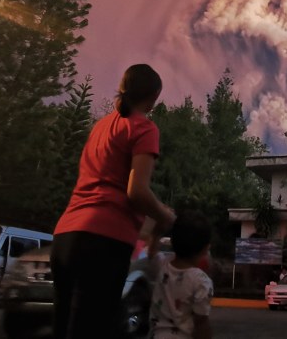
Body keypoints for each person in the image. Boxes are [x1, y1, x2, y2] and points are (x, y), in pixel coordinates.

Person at [51, 64, 176, 339]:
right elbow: (137, 192)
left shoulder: (100, 126)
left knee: (66, 329)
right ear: (154, 96)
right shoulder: (144, 128)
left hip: (65, 236)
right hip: (103, 241)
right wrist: (165, 217)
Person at [149, 211, 214, 339]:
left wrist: (156, 233)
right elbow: (201, 323)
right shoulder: (201, 281)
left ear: (172, 242)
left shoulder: (162, 264)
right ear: (206, 249)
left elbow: (151, 253)